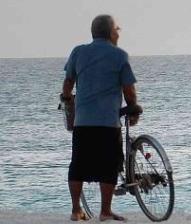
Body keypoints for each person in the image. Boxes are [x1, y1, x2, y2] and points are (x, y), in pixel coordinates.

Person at [61, 14, 142, 221]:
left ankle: (75, 209)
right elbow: (129, 91)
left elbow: (68, 82)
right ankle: (105, 211)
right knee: (109, 165)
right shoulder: (120, 56)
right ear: (110, 32)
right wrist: (133, 109)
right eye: (117, 29)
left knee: (78, 165)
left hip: (83, 121)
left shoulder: (78, 52)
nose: (118, 32)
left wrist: (67, 99)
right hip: (107, 122)